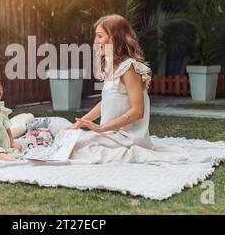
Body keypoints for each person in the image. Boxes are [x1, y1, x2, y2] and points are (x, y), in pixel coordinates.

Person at [68, 14, 189, 164]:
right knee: (72, 142)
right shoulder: (112, 66)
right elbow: (105, 103)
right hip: (111, 134)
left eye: (100, 36)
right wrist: (80, 123)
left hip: (128, 138)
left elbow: (138, 111)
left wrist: (102, 128)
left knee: (79, 150)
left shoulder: (129, 68)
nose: (95, 42)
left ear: (114, 38)